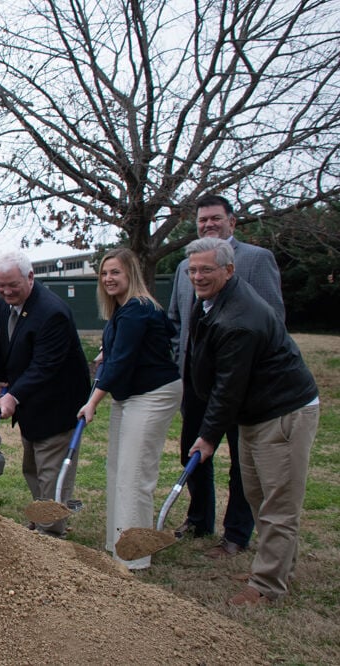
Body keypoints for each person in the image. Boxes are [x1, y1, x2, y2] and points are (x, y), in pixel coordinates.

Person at [184, 238, 318, 605]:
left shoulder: (240, 320)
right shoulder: (211, 302)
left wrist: (208, 436)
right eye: (193, 269)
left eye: (206, 269)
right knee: (257, 495)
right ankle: (276, 567)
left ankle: (267, 586)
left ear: (229, 270)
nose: (198, 276)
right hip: (255, 413)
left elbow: (229, 386)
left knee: (278, 503)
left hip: (283, 412)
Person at [168, 194, 285, 559]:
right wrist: (179, 358)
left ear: (232, 222)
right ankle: (199, 518)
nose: (209, 225)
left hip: (239, 383)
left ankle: (236, 533)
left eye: (216, 219)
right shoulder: (185, 268)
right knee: (194, 450)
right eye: (203, 220)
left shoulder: (255, 260)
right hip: (195, 383)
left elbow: (272, 320)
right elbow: (176, 321)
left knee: (240, 460)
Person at [77, 248, 182, 569]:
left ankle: (134, 558)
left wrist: (92, 402)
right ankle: (118, 545)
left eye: (115, 273)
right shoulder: (122, 311)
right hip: (131, 394)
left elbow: (121, 362)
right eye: (104, 273)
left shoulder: (137, 309)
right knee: (118, 469)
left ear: (130, 275)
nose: (108, 278)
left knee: (135, 474)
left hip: (153, 393)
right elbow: (118, 352)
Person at [0, 251, 90, 537]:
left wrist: (14, 396)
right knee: (32, 467)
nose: (7, 291)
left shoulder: (52, 312)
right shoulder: (5, 305)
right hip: (32, 407)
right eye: (1, 285)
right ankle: (43, 516)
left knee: (52, 473)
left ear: (30, 277)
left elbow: (44, 365)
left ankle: (51, 533)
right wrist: (1, 380)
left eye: (13, 285)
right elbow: (7, 347)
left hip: (57, 405)